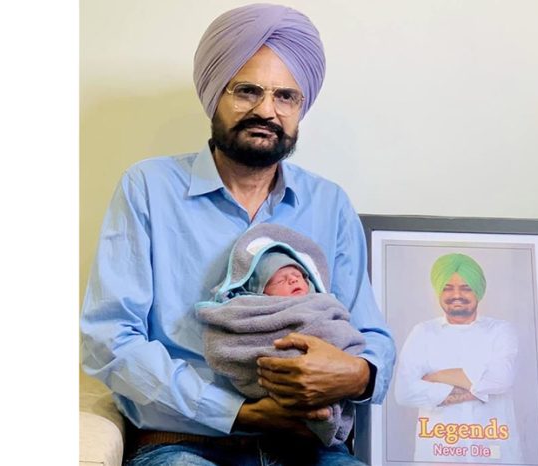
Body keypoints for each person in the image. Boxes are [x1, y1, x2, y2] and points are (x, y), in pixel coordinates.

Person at [80, 3, 395, 466]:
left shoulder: (329, 203)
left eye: (286, 97)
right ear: (214, 95)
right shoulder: (149, 187)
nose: (266, 110)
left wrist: (357, 374)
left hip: (306, 446)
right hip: (183, 443)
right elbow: (109, 338)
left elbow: (371, 335)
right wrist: (237, 411)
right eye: (247, 90)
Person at [195, 224, 366, 448]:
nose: (294, 280)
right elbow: (223, 348)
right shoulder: (247, 310)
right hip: (209, 439)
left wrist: (352, 370)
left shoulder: (322, 305)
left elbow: (347, 337)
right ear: (258, 292)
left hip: (311, 445)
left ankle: (320, 414)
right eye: (281, 280)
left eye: (298, 276)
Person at [394, 253, 522, 463]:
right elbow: (404, 392)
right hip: (438, 456)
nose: (456, 295)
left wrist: (436, 377)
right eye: (447, 287)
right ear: (438, 292)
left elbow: (502, 379)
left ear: (478, 291)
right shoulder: (423, 333)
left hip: (496, 455)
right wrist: (480, 388)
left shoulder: (501, 331)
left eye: (466, 287)